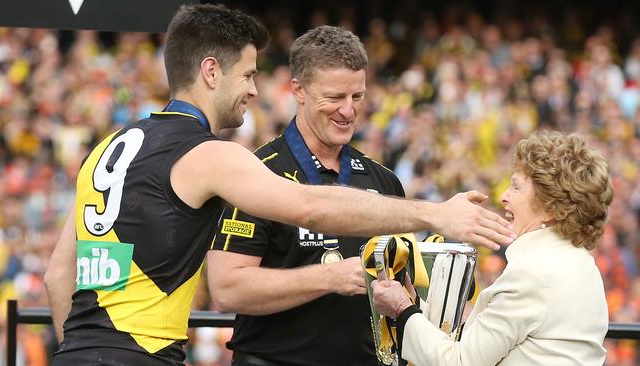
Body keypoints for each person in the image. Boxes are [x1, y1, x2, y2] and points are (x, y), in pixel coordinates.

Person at [44, 4, 513, 365]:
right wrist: (434, 213)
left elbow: (58, 276)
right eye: (247, 73)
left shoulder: (108, 146)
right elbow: (307, 206)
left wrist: (85, 351)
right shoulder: (210, 154)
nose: (253, 88)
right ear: (211, 71)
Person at [208, 25, 408, 365]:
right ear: (298, 90)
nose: (348, 111)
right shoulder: (256, 174)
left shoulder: (384, 181)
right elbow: (227, 289)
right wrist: (328, 278)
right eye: (333, 98)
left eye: (357, 96)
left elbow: (401, 286)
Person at [372, 130, 613, 365]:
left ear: (551, 209)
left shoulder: (533, 274)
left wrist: (402, 308)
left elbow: (459, 361)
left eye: (516, 187)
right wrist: (415, 306)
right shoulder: (583, 265)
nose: (504, 196)